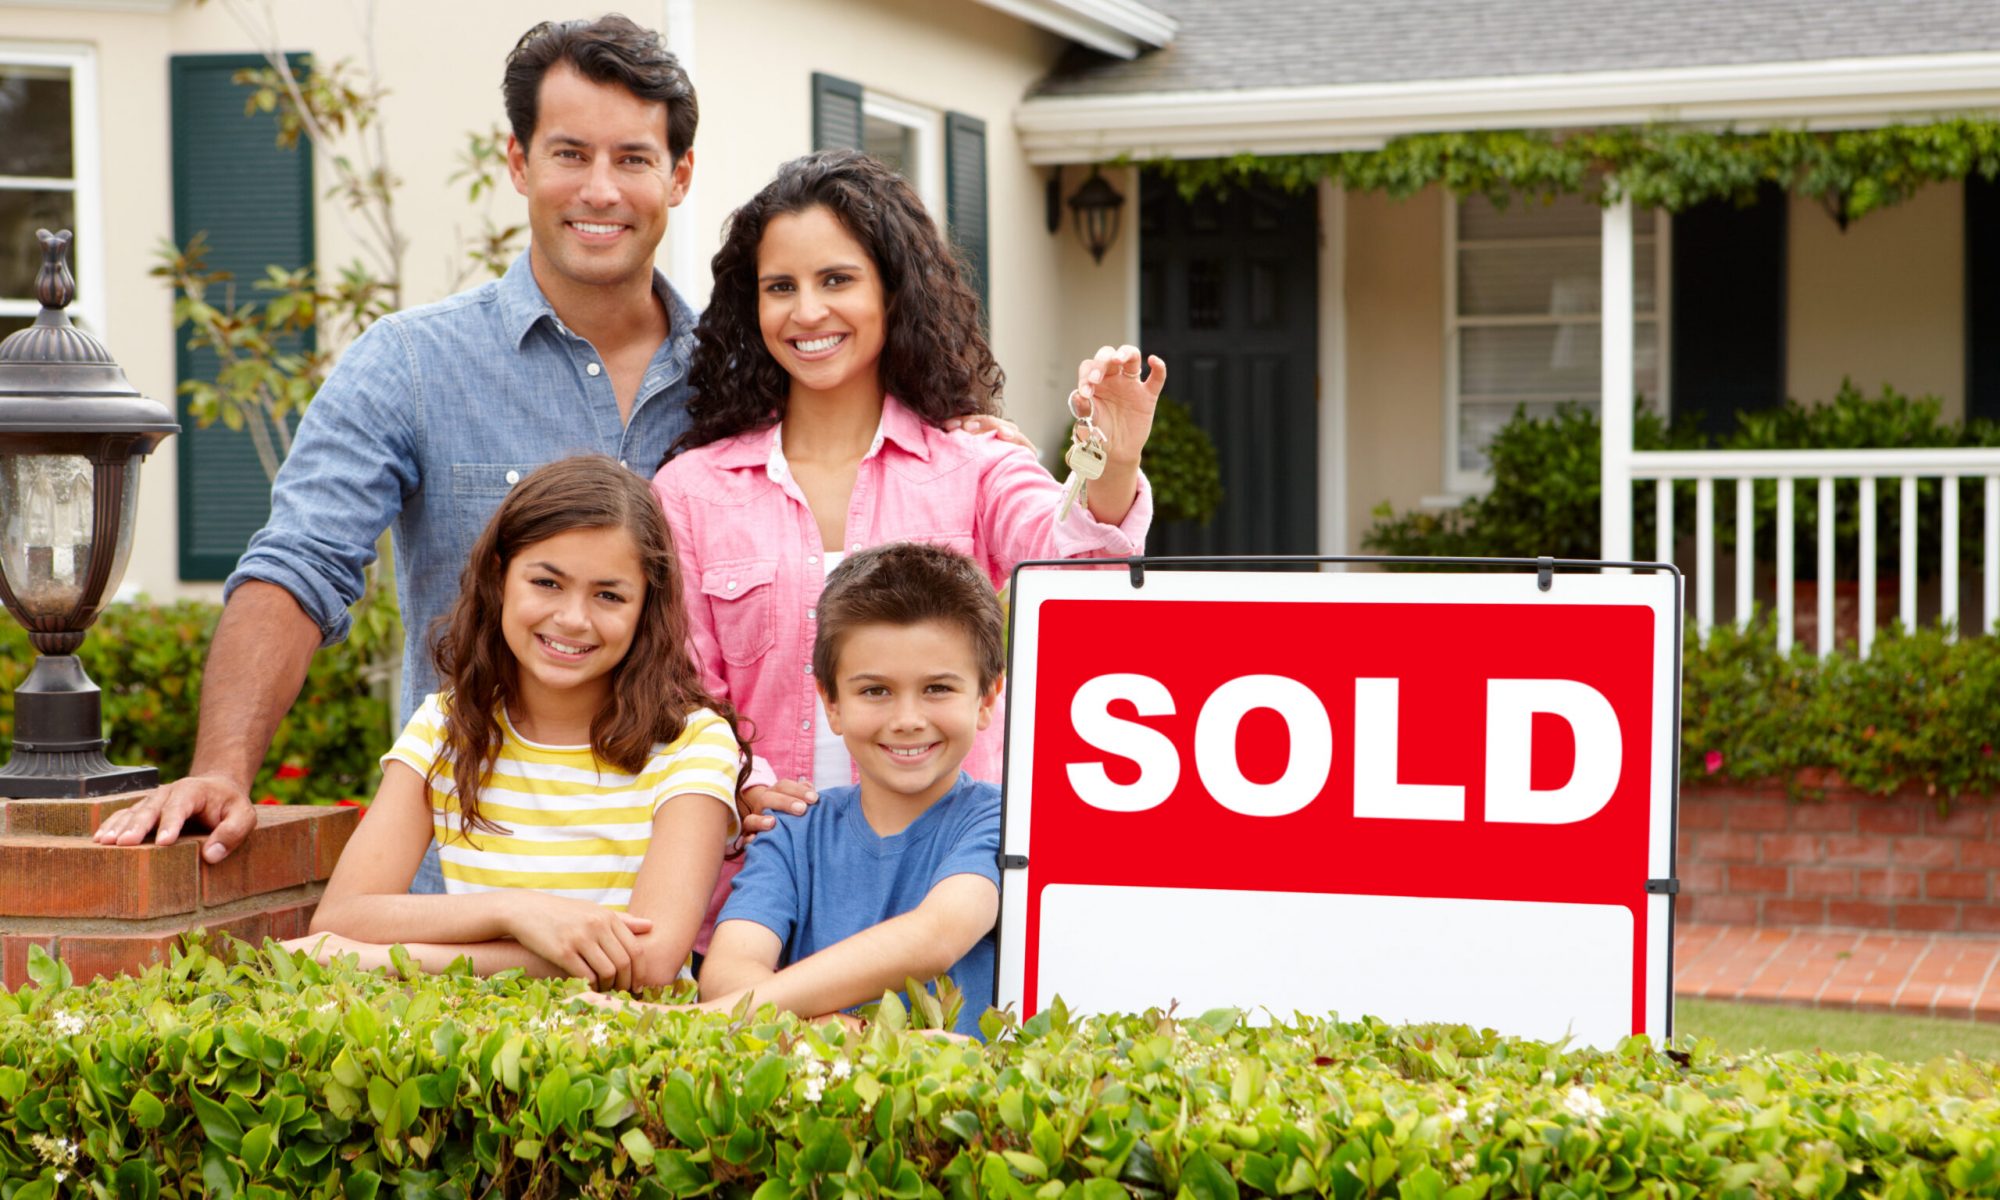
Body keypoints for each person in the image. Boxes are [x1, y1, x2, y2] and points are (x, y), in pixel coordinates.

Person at [651, 149, 1167, 952]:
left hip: (945, 892)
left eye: (837, 280)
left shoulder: (976, 464)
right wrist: (737, 787)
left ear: (893, 289)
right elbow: (682, 694)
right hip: (763, 893)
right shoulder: (691, 489)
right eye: (779, 287)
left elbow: (1077, 568)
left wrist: (1118, 457)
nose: (807, 311)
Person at [287, 456, 742, 985]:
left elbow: (648, 963)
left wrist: (400, 957)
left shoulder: (693, 744)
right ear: (500, 577)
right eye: (548, 583)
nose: (573, 618)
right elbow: (343, 916)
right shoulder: (446, 725)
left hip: (623, 1052)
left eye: (609, 595)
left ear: (647, 607)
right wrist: (516, 911)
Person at [590, 541, 1005, 1035]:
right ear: (831, 702)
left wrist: (695, 1023)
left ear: (987, 699)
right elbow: (727, 974)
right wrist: (833, 1031)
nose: (908, 719)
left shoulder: (1003, 821)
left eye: (938, 688)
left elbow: (936, 936)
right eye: (875, 690)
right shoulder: (793, 828)